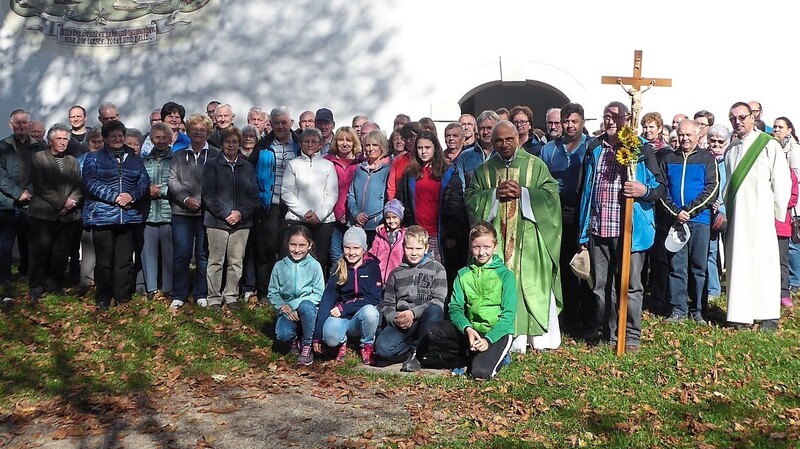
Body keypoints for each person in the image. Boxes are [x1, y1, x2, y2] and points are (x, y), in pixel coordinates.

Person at [466, 120, 562, 353]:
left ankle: (534, 338)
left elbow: (551, 196)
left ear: (518, 138)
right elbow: (470, 200)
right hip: (496, 241)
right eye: (499, 140)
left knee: (532, 284)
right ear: (492, 141)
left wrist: (525, 194)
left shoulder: (535, 165)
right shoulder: (483, 171)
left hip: (529, 241)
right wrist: (494, 195)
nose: (505, 144)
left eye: (509, 139)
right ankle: (500, 336)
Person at [577, 101, 665, 351]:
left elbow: (659, 187)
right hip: (599, 227)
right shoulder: (594, 148)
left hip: (630, 229)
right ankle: (609, 331)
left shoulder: (640, 149)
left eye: (618, 116)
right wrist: (583, 231)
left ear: (628, 119)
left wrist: (643, 190)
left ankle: (632, 334)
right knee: (601, 285)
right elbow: (585, 191)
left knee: (630, 284)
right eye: (607, 116)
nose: (612, 121)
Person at [417, 222, 515, 380]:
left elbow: (508, 314)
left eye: (487, 247)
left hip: (496, 332)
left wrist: (488, 340)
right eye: (476, 247)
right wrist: (467, 329)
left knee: (480, 374)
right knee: (434, 329)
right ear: (470, 246)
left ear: (495, 246)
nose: (481, 252)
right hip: (472, 330)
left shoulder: (506, 276)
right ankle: (468, 355)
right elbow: (455, 308)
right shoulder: (463, 274)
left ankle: (498, 355)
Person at [724, 102, 791, 330]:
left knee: (764, 263)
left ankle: (768, 314)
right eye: (733, 118)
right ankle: (740, 313)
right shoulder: (731, 149)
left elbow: (782, 179)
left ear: (752, 117)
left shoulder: (767, 145)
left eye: (742, 117)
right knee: (739, 263)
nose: (738, 121)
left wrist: (777, 213)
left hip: (761, 214)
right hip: (738, 216)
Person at [82, 120, 149, 310]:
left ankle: (122, 296)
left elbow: (143, 182)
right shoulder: (93, 158)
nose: (118, 139)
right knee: (104, 260)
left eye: (120, 136)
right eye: (113, 136)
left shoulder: (134, 158)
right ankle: (103, 296)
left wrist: (131, 196)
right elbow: (90, 182)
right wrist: (115, 197)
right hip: (103, 216)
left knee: (124, 259)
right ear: (105, 139)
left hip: (128, 216)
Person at [539, 103, 594, 336]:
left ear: (582, 122)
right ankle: (566, 317)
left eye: (574, 121)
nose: (569, 126)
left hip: (584, 214)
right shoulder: (549, 150)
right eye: (565, 121)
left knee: (586, 269)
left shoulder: (592, 147)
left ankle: (588, 316)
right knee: (561, 268)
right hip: (555, 216)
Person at [659, 119, 719, 323]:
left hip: (700, 220)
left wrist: (690, 211)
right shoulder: (668, 159)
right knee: (677, 266)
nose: (684, 139)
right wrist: (676, 212)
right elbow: (662, 189)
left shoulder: (707, 159)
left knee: (699, 266)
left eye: (688, 135)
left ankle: (699, 310)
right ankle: (678, 309)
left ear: (698, 135)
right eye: (681, 135)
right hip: (675, 221)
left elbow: (712, 188)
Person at [374, 225, 446, 371]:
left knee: (435, 310)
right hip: (402, 321)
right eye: (409, 248)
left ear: (426, 248)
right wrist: (395, 318)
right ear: (403, 247)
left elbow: (439, 300)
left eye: (418, 249)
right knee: (382, 349)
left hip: (425, 318)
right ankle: (410, 349)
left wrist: (413, 313)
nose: (414, 253)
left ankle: (416, 353)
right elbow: (387, 304)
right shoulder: (396, 273)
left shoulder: (437, 269)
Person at [203, 126, 258, 311]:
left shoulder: (247, 166)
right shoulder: (212, 164)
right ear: (222, 144)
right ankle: (214, 297)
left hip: (242, 223)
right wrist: (226, 213)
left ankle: (231, 295)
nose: (232, 145)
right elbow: (208, 194)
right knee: (216, 261)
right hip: (217, 221)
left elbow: (253, 196)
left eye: (235, 141)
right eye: (228, 141)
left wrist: (240, 213)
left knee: (236, 261)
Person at [27, 123, 82, 302]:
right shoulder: (38, 158)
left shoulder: (72, 161)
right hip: (43, 213)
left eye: (65, 139)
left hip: (67, 215)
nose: (63, 142)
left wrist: (72, 200)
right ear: (50, 140)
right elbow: (41, 186)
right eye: (59, 138)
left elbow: (79, 185)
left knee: (60, 252)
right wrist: (62, 202)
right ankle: (36, 285)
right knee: (40, 251)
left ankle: (54, 284)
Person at [169, 114, 220, 308]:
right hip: (182, 212)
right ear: (188, 132)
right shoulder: (179, 155)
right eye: (194, 129)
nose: (198, 133)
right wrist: (186, 199)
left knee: (203, 254)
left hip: (206, 213)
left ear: (208, 133)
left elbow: (218, 182)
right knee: (181, 254)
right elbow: (172, 180)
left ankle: (201, 292)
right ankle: (179, 294)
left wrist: (202, 200)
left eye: (202, 130)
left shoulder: (215, 155)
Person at [249, 107, 299, 301]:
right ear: (270, 124)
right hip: (269, 204)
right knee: (266, 250)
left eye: (284, 122)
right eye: (276, 122)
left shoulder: (300, 145)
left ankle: (286, 292)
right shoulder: (262, 146)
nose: (280, 126)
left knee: (288, 250)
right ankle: (265, 291)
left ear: (291, 124)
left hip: (293, 206)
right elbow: (251, 173)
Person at [312, 227, 382, 365]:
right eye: (347, 248)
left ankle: (366, 345)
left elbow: (374, 298)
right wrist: (317, 336)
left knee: (371, 312)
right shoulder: (338, 268)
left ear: (364, 249)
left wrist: (344, 308)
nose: (351, 252)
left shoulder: (372, 267)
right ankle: (341, 342)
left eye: (356, 248)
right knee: (330, 338)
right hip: (341, 317)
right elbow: (327, 300)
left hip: (359, 315)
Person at [281, 128, 338, 275]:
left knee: (320, 259)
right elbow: (287, 192)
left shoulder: (328, 165)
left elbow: (332, 194)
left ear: (320, 145)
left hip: (323, 222)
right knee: (295, 259)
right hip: (298, 220)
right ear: (300, 144)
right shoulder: (293, 164)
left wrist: (318, 215)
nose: (310, 144)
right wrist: (305, 213)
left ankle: (318, 293)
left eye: (314, 141)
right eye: (306, 141)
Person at [268, 225, 324, 366]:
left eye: (302, 245)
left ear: (309, 245)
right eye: (293, 245)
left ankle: (306, 345)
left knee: (306, 306)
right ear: (287, 244)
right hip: (286, 311)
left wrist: (293, 305)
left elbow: (318, 293)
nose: (297, 249)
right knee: (282, 334)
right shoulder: (279, 266)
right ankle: (294, 339)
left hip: (307, 310)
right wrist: (284, 308)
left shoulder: (314, 266)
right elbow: (273, 292)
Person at [0, 109, 42, 296]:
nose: (21, 126)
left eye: (25, 123)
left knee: (31, 242)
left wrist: (29, 193)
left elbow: (43, 174)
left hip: (31, 201)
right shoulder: (3, 147)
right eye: (17, 123)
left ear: (29, 124)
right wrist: (17, 194)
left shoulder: (39, 147)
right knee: (5, 243)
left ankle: (29, 274)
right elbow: (1, 176)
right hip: (7, 202)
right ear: (11, 125)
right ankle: (4, 278)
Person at [396, 131, 449, 262]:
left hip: (438, 236)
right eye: (420, 148)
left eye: (427, 148)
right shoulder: (410, 173)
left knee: (435, 273)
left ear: (435, 148)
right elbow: (401, 200)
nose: (423, 152)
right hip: (416, 234)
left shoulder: (447, 172)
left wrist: (451, 235)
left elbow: (454, 205)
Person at [141, 123, 174, 303]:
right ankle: (151, 288)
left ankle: (168, 287)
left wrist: (159, 191)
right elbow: (138, 182)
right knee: (148, 252)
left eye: (164, 138)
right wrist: (147, 190)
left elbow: (178, 184)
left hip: (169, 212)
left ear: (170, 139)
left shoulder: (176, 159)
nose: (160, 141)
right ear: (152, 139)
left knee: (169, 253)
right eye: (157, 137)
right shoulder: (144, 161)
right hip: (149, 213)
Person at [325, 126, 362, 267]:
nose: (345, 143)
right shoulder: (328, 162)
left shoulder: (360, 163)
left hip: (354, 216)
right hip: (333, 216)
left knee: (354, 253)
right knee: (335, 253)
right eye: (341, 140)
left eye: (349, 140)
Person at [348, 130, 390, 246]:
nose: (370, 148)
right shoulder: (359, 168)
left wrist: (372, 216)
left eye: (375, 145)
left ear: (382, 146)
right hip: (356, 224)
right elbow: (351, 194)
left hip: (377, 225)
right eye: (367, 145)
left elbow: (387, 198)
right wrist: (356, 214)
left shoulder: (387, 170)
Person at [704, 124, 731, 303]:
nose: (716, 145)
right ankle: (713, 289)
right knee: (711, 252)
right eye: (712, 141)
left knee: (731, 251)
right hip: (711, 213)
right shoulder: (704, 159)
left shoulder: (730, 160)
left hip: (728, 211)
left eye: (720, 142)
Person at [774, 117, 800, 301]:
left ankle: (784, 292)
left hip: (781, 222)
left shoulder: (787, 170)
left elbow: (793, 196)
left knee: (783, 258)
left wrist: (774, 204)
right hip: (762, 223)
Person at [368, 199, 406, 283]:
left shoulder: (404, 236)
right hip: (379, 278)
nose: (391, 221)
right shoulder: (380, 235)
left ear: (400, 217)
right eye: (388, 218)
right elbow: (372, 255)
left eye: (394, 217)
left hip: (397, 279)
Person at [387, 122, 422, 200]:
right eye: (405, 138)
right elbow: (392, 190)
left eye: (412, 137)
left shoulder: (425, 160)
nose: (408, 141)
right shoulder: (397, 161)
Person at [458, 110, 498, 176]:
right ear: (477, 130)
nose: (485, 132)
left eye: (489, 128)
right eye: (482, 128)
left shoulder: (503, 154)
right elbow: (462, 185)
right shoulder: (465, 156)